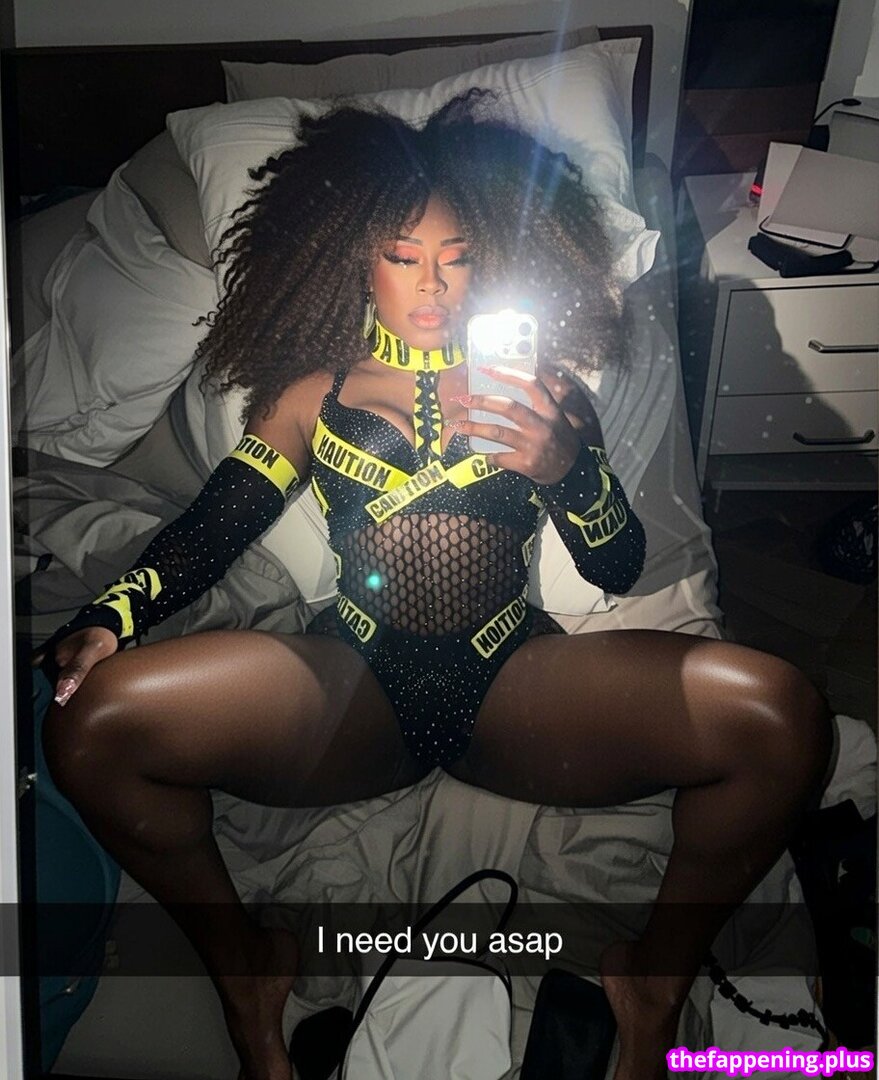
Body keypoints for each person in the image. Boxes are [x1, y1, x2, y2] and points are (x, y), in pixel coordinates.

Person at [39, 91, 831, 1080]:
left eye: (456, 257)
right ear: (354, 259)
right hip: (353, 689)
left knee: (783, 719)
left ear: (485, 258)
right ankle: (245, 971)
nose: (432, 283)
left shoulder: (545, 390)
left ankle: (653, 983)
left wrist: (566, 471)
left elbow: (617, 566)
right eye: (402, 256)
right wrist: (111, 617)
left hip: (515, 687)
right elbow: (216, 527)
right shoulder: (312, 396)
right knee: (91, 725)